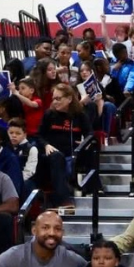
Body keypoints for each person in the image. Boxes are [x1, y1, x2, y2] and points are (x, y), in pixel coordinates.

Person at [37, 83, 91, 212]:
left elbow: (90, 134)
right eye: (53, 98)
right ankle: (64, 200)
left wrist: (84, 142)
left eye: (58, 98)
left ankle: (93, 188)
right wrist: (46, 145)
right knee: (57, 156)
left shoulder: (80, 115)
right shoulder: (49, 115)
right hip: (51, 156)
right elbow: (38, 136)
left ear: (69, 99)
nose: (55, 102)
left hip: (73, 154)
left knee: (90, 151)